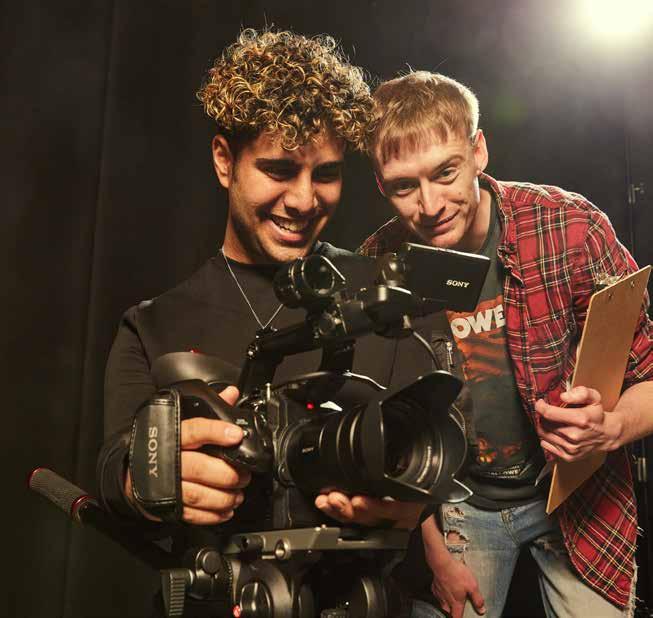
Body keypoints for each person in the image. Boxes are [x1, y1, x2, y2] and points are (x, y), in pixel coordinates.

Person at [96, 29, 428, 616]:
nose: (303, 200)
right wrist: (148, 479)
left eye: (325, 174)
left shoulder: (384, 300)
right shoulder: (154, 324)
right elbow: (114, 468)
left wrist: (417, 500)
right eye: (278, 169)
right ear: (224, 161)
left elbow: (443, 439)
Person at [358, 71, 653, 618]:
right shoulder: (379, 267)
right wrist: (434, 552)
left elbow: (652, 375)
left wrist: (611, 427)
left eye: (446, 172)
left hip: (578, 497)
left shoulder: (569, 228)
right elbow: (383, 428)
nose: (430, 204)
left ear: (478, 151)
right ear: (380, 186)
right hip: (459, 508)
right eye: (404, 187)